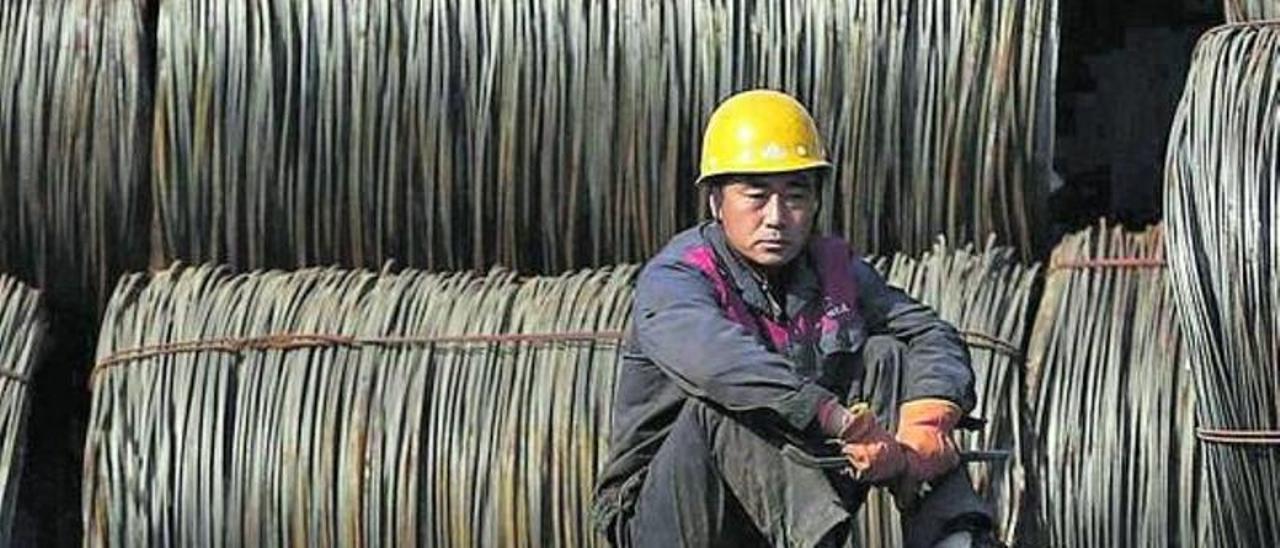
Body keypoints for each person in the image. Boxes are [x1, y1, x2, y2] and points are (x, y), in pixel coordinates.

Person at [592, 89, 998, 547]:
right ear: (715, 202)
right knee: (723, 405)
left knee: (887, 356)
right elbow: (721, 365)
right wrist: (837, 419)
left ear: (816, 202)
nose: (777, 217)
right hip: (670, 513)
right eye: (756, 195)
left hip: (793, 488)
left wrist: (931, 415)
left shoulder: (834, 270)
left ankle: (955, 539)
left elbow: (929, 333)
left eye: (795, 196)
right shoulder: (677, 277)